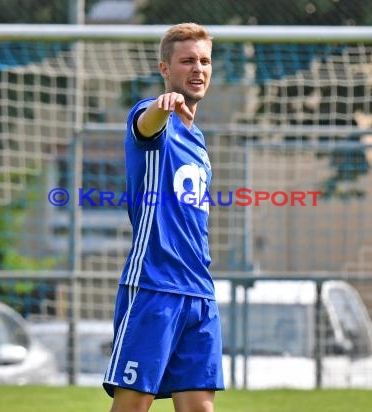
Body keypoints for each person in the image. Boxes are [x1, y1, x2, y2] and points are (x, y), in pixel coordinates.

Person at [103, 22, 224, 412]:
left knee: (200, 408)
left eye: (204, 61)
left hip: (199, 292)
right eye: (187, 60)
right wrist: (160, 106)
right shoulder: (154, 117)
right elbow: (145, 124)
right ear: (165, 69)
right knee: (134, 406)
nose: (198, 69)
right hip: (156, 288)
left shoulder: (199, 140)